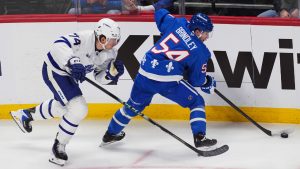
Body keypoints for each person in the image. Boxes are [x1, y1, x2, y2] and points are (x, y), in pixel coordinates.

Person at [10, 18, 124, 166]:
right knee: (78, 108)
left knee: (65, 106)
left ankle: (25, 115)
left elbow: (99, 77)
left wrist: (111, 74)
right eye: (111, 40)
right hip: (55, 70)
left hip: (69, 77)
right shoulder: (84, 38)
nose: (113, 44)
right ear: (101, 36)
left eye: (116, 40)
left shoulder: (110, 53)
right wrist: (72, 60)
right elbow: (58, 44)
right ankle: (59, 146)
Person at [100, 7, 217, 149]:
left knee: (131, 106)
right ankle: (200, 137)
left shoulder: (178, 23)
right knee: (196, 101)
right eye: (205, 33)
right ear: (197, 31)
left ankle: (110, 134)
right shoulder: (201, 52)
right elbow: (196, 80)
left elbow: (160, 13)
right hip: (166, 80)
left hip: (144, 71)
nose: (206, 37)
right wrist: (207, 82)